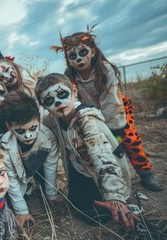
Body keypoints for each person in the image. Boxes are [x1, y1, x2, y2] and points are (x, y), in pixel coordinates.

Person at [51, 27, 162, 191]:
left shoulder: (105, 70)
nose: (79, 59)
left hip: (117, 112)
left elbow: (111, 101)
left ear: (93, 52)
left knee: (129, 140)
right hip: (89, 113)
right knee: (98, 146)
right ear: (69, 60)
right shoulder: (70, 76)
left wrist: (115, 129)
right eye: (73, 56)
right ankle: (107, 177)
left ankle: (145, 173)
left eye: (83, 53)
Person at [34, 73, 138, 229]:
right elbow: (38, 129)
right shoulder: (53, 119)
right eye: (49, 101)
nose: (58, 102)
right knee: (78, 208)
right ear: (43, 106)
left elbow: (103, 157)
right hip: (79, 168)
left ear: (74, 91)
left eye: (63, 94)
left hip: (101, 171)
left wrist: (114, 195)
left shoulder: (86, 121)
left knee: (99, 217)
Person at [0, 91, 60, 226]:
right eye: (20, 131)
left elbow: (51, 165)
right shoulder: (4, 145)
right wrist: (21, 210)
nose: (28, 136)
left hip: (37, 168)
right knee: (10, 200)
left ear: (39, 120)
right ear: (9, 126)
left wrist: (51, 195)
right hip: (20, 175)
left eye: (33, 128)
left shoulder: (49, 137)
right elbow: (12, 178)